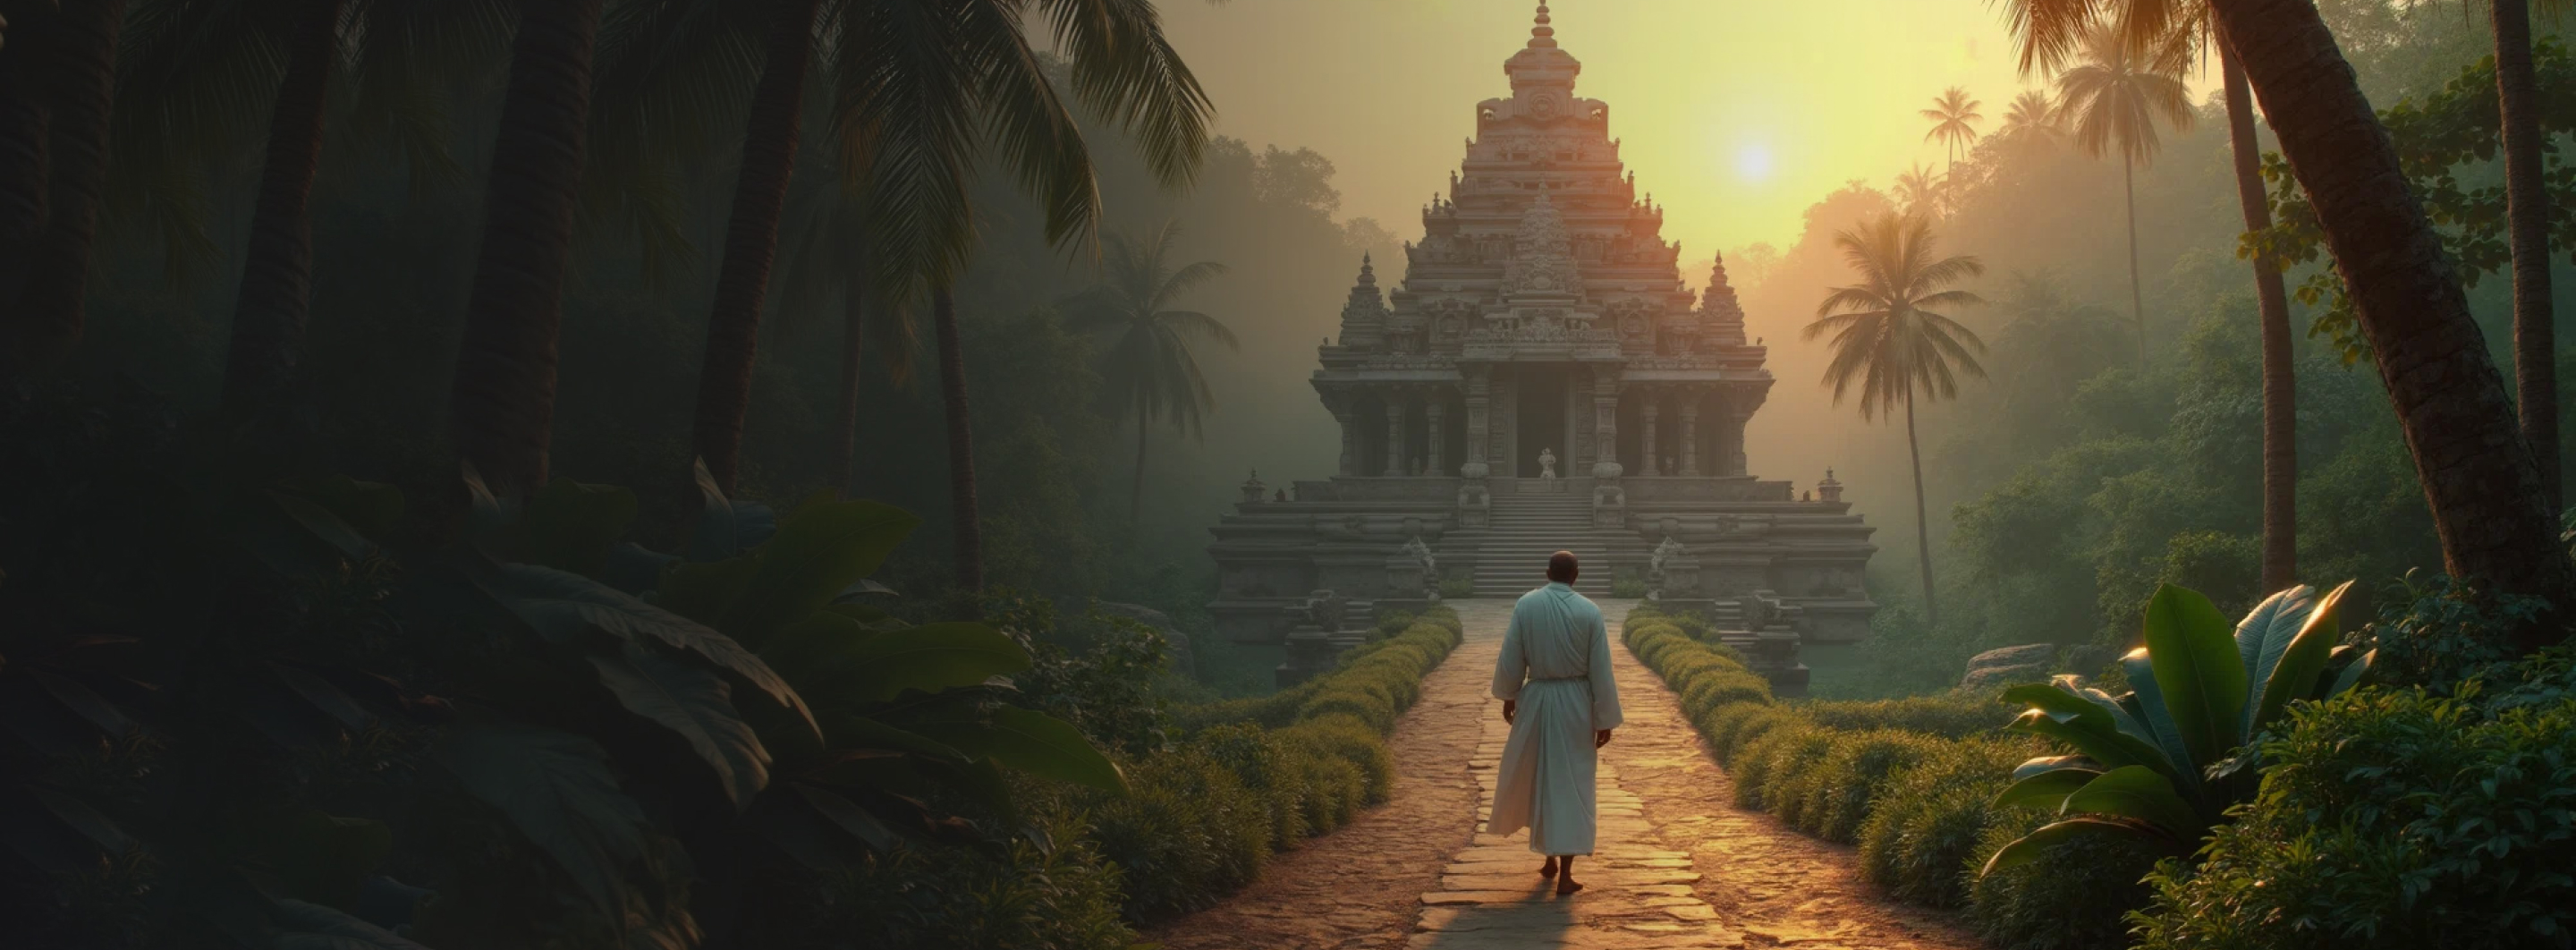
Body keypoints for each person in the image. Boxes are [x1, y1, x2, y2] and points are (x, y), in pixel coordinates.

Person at [1488, 550, 1623, 895]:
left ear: (1547, 573)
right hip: (1576, 703)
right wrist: (1603, 716)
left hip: (1536, 699)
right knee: (1572, 784)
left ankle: (1549, 859)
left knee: (1541, 776)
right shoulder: (1589, 611)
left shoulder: (1527, 605)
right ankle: (1563, 872)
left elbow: (1512, 654)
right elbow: (1601, 670)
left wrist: (1509, 695)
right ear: (1576, 576)